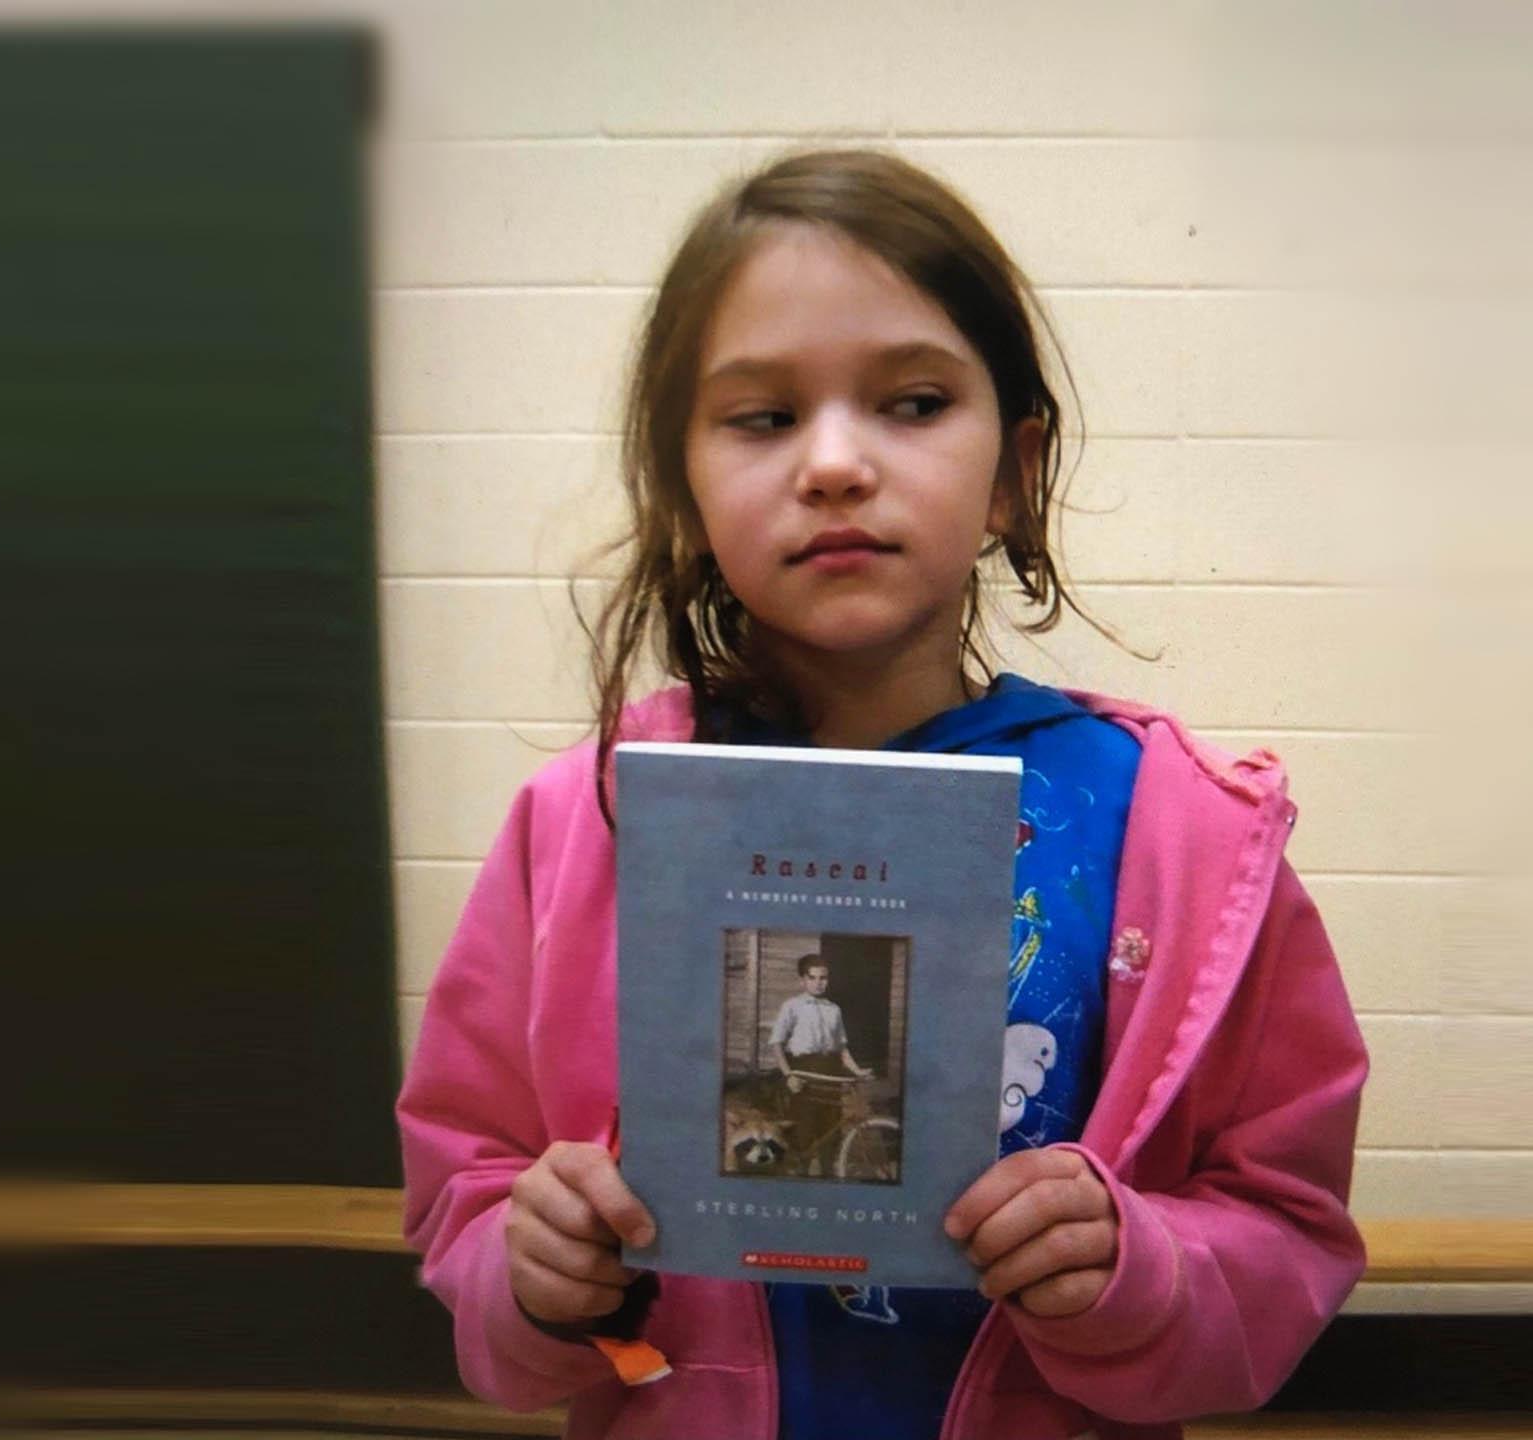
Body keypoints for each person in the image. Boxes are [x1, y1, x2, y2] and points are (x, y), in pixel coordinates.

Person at [397, 148, 1368, 1440]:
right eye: (762, 417)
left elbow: (1286, 1231)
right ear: (684, 489)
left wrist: (1140, 1271)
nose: (836, 464)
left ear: (1013, 473)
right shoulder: (583, 823)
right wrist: (531, 1278)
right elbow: (465, 1193)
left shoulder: (1176, 833)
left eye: (913, 402)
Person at [767, 954, 874, 1173]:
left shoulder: (834, 1009)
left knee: (831, 1130)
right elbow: (776, 1043)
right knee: (803, 1132)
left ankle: (828, 1174)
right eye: (812, 977)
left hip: (830, 1072)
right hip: (804, 1072)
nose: (818, 983)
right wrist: (789, 1075)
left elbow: (841, 1047)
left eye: (823, 978)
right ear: (802, 980)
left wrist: (857, 1070)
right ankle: (801, 1175)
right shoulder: (792, 1006)